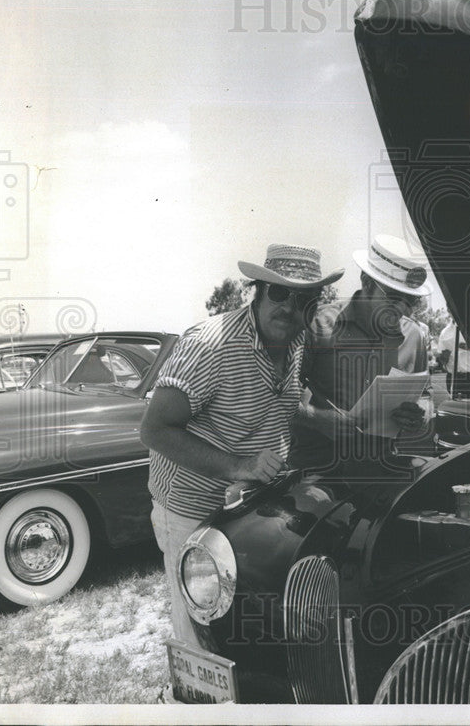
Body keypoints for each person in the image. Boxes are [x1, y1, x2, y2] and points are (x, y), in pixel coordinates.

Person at [140, 243, 343, 649]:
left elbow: (285, 404)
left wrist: (344, 423)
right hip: (190, 510)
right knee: (203, 637)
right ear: (258, 290)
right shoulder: (209, 344)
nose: (288, 307)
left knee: (247, 635)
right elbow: (155, 429)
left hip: (250, 510)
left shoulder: (296, 341)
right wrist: (240, 465)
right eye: (279, 293)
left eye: (303, 298)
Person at [294, 234, 431, 478]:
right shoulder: (317, 326)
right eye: (394, 297)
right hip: (317, 465)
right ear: (367, 283)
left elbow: (427, 397)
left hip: (384, 462)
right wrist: (318, 419)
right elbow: (279, 400)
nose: (402, 309)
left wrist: (420, 412)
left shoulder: (415, 336)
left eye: (411, 301)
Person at [437, 321, 470, 399]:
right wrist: (444, 356)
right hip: (454, 378)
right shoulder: (445, 332)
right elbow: (442, 359)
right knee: (456, 408)